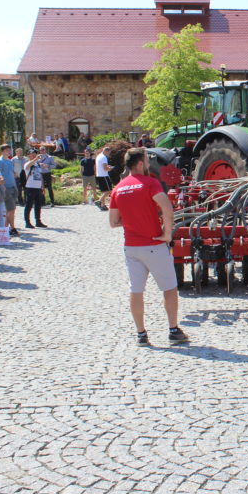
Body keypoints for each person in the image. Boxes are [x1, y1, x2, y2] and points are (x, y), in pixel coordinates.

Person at [109, 148, 188, 347]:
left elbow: (113, 221)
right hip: (154, 245)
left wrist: (131, 221)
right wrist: (167, 233)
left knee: (136, 290)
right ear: (140, 164)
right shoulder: (150, 183)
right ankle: (173, 330)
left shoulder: (118, 188)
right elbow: (167, 207)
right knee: (169, 288)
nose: (147, 164)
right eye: (146, 160)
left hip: (131, 247)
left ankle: (141, 334)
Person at [0, 145, 19, 236]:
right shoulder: (0, 161)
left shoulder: (9, 161)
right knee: (10, 209)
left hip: (13, 186)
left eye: (10, 149)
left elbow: (12, 173)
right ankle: (11, 228)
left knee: (12, 209)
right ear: (2, 151)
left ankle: (6, 229)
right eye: (7, 150)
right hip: (6, 188)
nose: (9, 151)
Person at [23, 150, 48, 228]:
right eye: (32, 154)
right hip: (30, 187)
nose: (34, 155)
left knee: (38, 205)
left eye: (35, 154)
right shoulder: (27, 163)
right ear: (28, 155)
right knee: (29, 205)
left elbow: (40, 176)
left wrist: (42, 186)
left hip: (38, 187)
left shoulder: (37, 164)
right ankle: (27, 222)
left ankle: (38, 221)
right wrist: (35, 159)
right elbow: (28, 166)